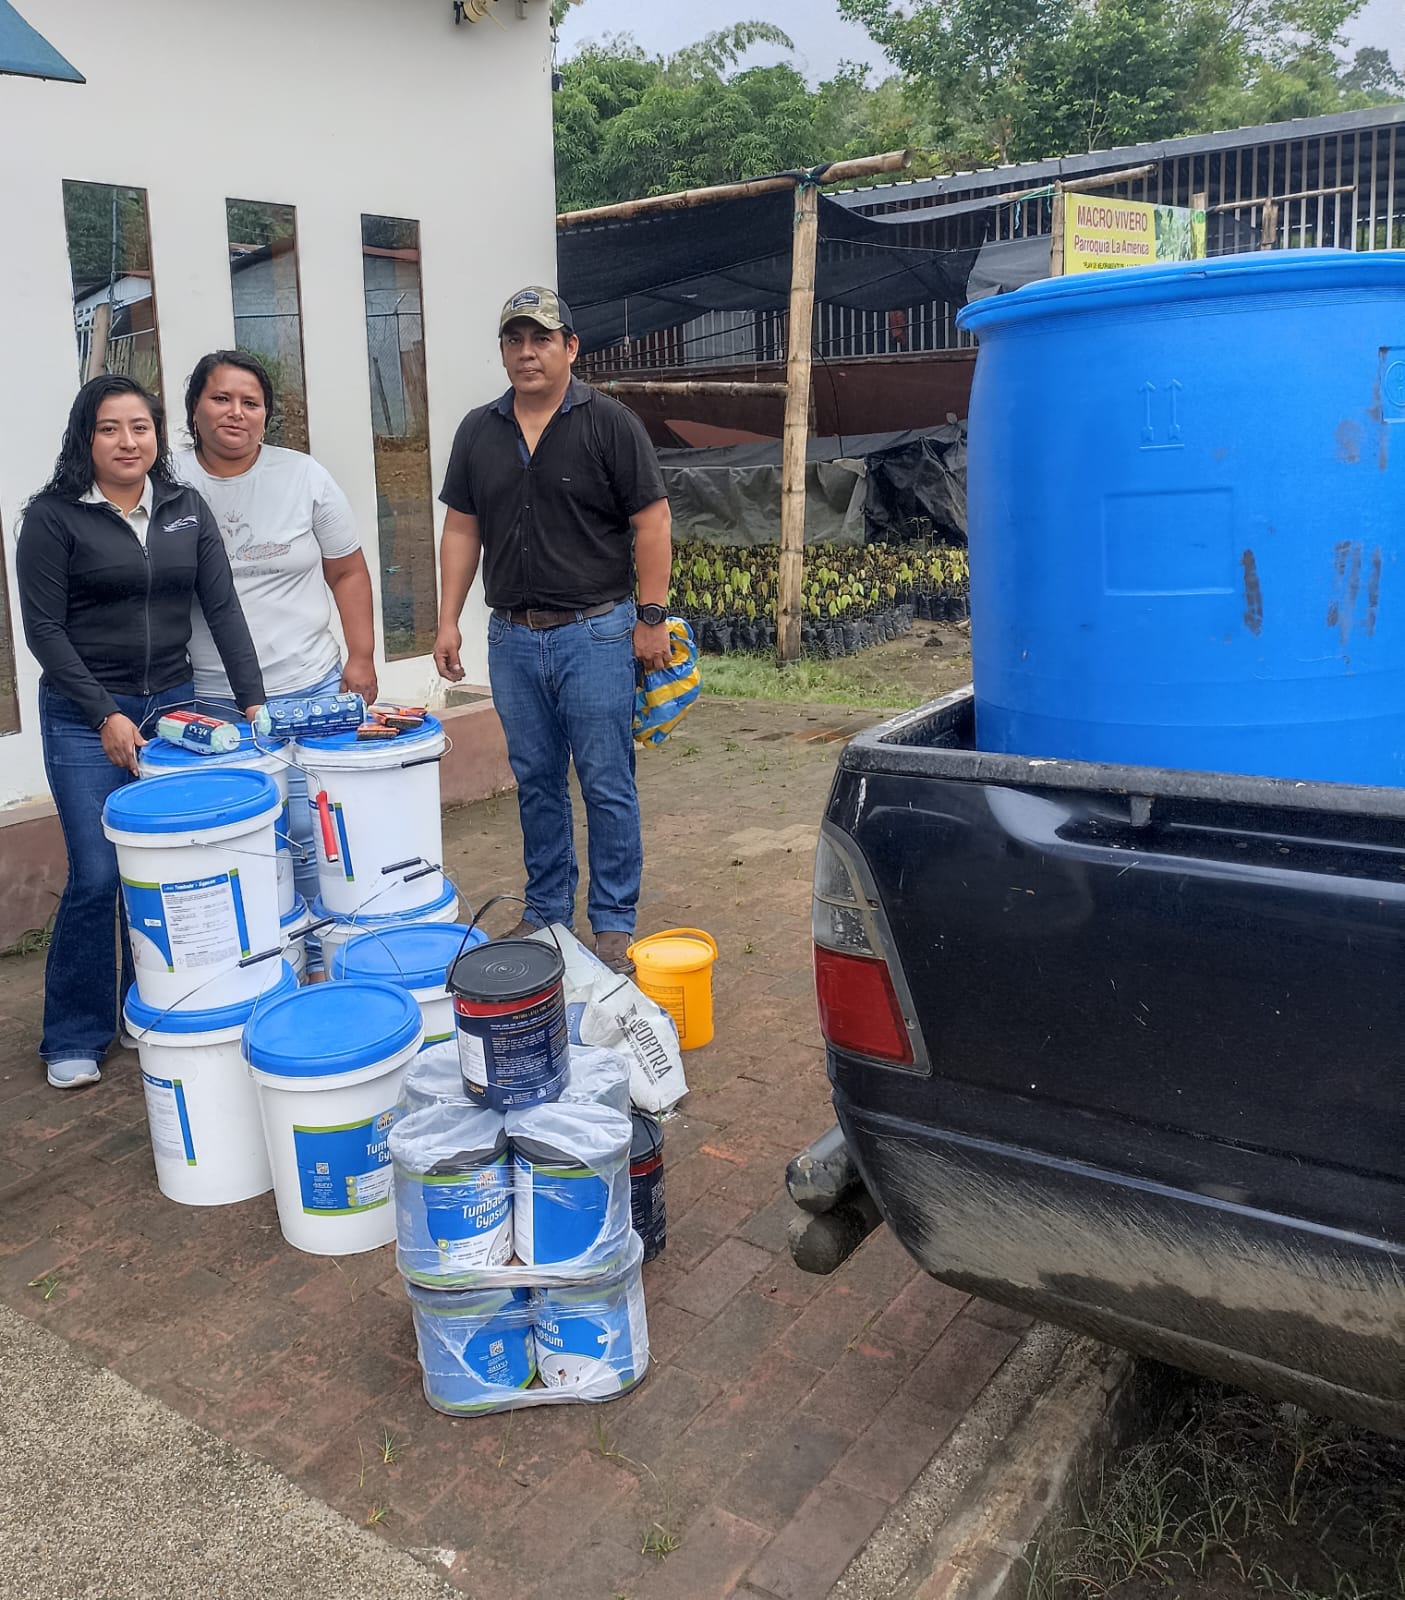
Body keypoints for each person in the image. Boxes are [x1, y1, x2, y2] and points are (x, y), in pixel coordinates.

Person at [16, 375, 265, 1090]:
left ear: (159, 435)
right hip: (83, 715)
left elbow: (222, 609)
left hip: (173, 711)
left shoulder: (184, 509)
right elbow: (44, 631)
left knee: (164, 866)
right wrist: (104, 713)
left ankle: (149, 1001)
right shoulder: (54, 518)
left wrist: (253, 704)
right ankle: (74, 1032)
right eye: (109, 428)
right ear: (84, 438)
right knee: (98, 872)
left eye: (140, 427)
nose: (127, 442)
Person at [433, 287, 672, 975]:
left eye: (541, 338)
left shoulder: (609, 424)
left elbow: (652, 520)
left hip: (596, 634)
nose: (526, 352)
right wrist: (447, 619)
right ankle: (545, 911)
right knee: (535, 780)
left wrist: (650, 617)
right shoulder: (479, 431)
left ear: (570, 347)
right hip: (511, 639)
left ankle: (612, 923)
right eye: (514, 340)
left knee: (605, 780)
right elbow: (462, 528)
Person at [173, 350, 377, 974]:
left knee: (315, 832)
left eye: (251, 402)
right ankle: (260, 968)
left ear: (267, 414)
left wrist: (362, 657)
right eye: (221, 398)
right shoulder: (167, 480)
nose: (236, 412)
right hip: (211, 700)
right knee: (238, 841)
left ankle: (320, 962)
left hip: (308, 686)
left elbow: (347, 571)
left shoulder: (303, 476)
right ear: (194, 409)